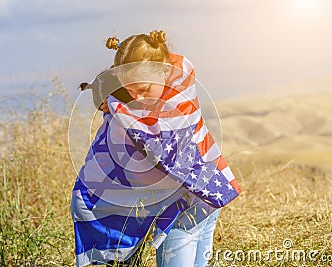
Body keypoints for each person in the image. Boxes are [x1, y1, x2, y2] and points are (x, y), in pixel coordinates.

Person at [70, 30, 241, 267]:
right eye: (129, 89)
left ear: (165, 70)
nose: (137, 96)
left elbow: (157, 141)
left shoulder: (178, 96)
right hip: (205, 188)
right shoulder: (139, 102)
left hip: (195, 197)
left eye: (144, 88)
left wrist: (117, 105)